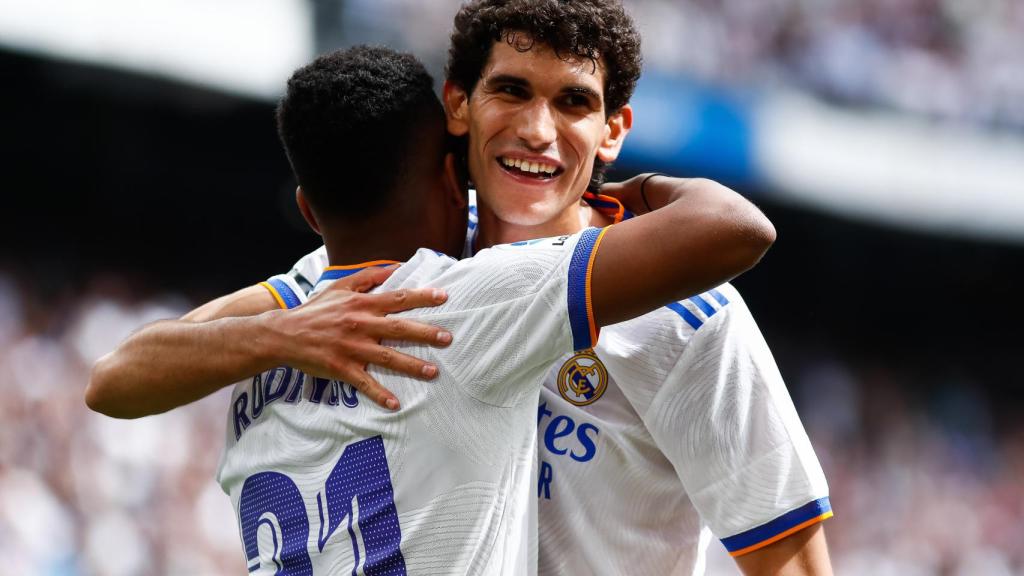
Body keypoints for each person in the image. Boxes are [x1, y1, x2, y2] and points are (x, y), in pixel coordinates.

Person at [89, 0, 831, 573]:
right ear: (458, 104)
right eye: (511, 90)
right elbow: (123, 373)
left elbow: (784, 553)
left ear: (614, 130)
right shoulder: (393, 275)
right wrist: (280, 332)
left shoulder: (690, 320)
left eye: (573, 102)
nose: (539, 129)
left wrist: (634, 200)